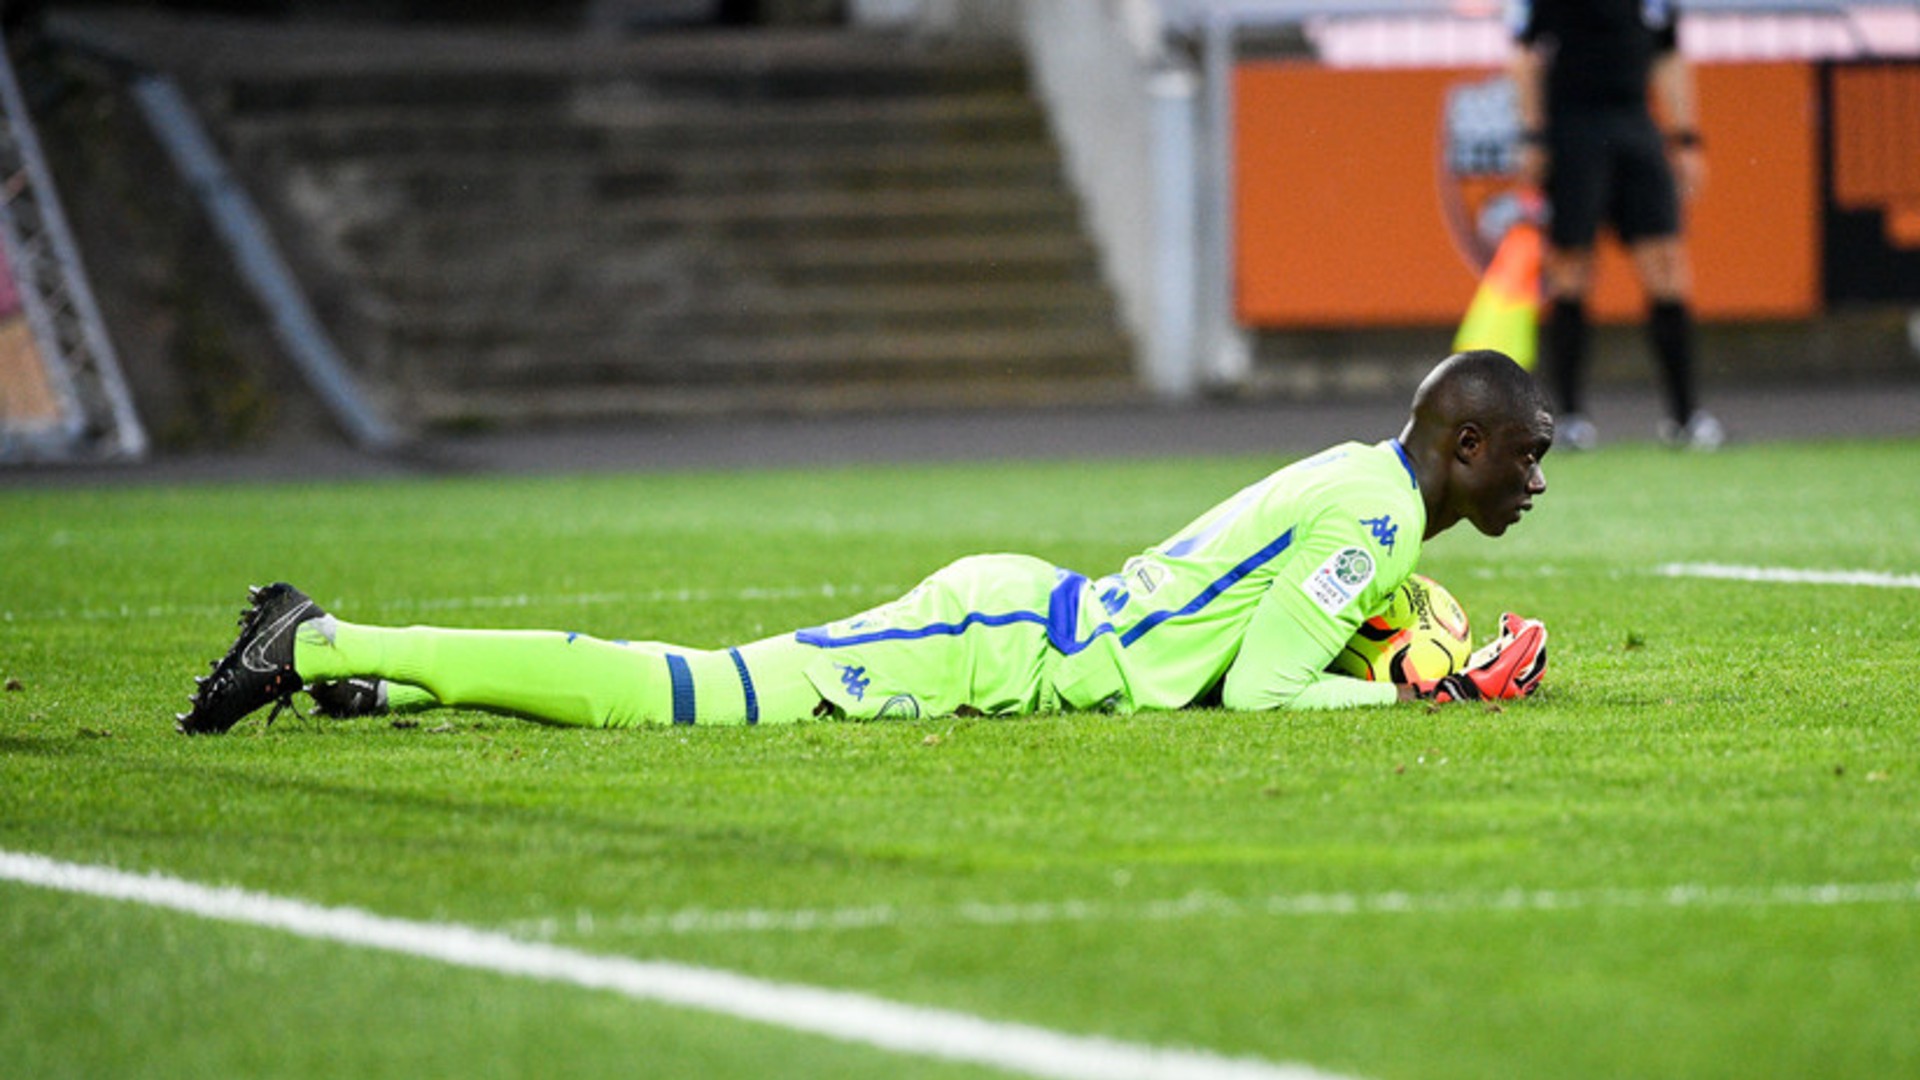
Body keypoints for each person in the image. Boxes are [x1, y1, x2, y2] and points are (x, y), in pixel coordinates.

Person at [176, 351, 1553, 736]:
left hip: (1027, 628)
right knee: (686, 694)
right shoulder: (1375, 518)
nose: (1540, 481)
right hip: (1003, 643)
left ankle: (370, 678)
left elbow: (1251, 662)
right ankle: (329, 640)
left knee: (689, 690)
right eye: (1530, 453)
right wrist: (1414, 701)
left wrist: (1383, 676)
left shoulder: (1363, 490)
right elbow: (1255, 690)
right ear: (1468, 446)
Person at [1511, 0, 1723, 451]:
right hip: (1573, 128)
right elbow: (1524, 55)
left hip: (1635, 125)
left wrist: (1685, 137)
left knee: (1667, 265)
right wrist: (1532, 133)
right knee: (1570, 268)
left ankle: (1686, 418)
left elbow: (1667, 55)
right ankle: (1567, 418)